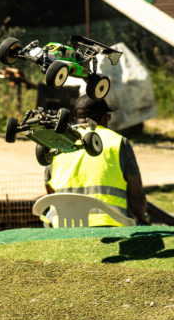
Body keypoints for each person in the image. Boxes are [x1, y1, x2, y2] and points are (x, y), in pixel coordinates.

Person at [43, 95, 149, 227]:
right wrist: (141, 218)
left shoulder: (58, 144)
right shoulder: (118, 143)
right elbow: (136, 197)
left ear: (75, 119)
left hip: (63, 227)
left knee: (48, 217)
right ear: (105, 117)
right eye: (108, 117)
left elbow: (49, 188)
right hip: (110, 226)